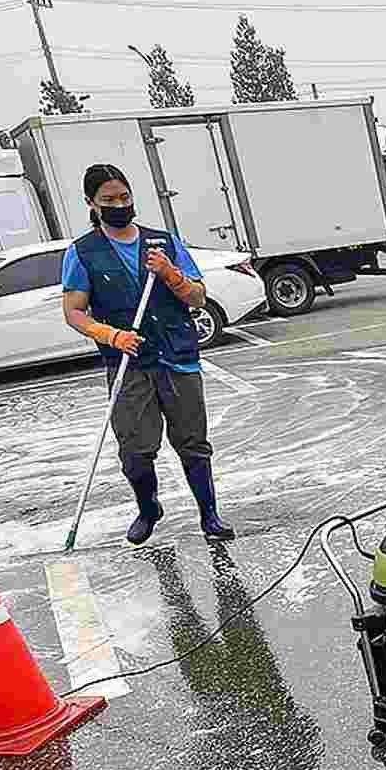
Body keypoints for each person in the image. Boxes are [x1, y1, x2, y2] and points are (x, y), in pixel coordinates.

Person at [61, 163, 234, 544]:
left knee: (193, 444)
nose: (119, 205)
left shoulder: (163, 243)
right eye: (109, 200)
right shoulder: (82, 253)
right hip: (128, 362)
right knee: (136, 451)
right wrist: (111, 335)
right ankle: (148, 507)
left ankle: (209, 514)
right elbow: (74, 312)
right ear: (91, 203)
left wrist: (171, 273)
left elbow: (198, 296)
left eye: (125, 197)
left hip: (177, 355)